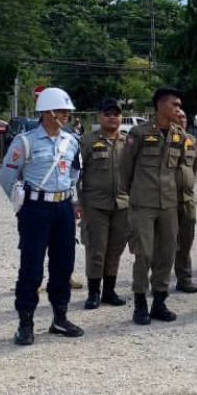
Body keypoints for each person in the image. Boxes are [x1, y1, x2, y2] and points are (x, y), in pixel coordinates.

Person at [0, 87, 84, 345]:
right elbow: (7, 178)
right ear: (47, 112)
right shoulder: (25, 142)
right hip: (36, 209)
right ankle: (25, 323)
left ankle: (60, 317)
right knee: (32, 267)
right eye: (61, 110)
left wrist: (72, 199)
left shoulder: (71, 141)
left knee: (63, 264)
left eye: (68, 111)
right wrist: (22, 205)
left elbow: (75, 171)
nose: (66, 115)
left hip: (63, 208)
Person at [121, 87, 192, 324]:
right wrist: (133, 195)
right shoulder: (139, 133)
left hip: (169, 204)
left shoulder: (180, 136)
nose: (178, 109)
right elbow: (126, 168)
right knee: (144, 253)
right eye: (175, 104)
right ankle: (140, 303)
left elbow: (182, 169)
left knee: (166, 254)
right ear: (160, 105)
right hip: (143, 203)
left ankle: (159, 302)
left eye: (179, 105)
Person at [78, 98, 129, 310]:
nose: (112, 118)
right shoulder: (87, 141)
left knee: (115, 250)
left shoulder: (128, 142)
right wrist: (79, 203)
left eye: (116, 114)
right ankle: (93, 293)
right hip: (95, 205)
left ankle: (109, 290)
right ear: (100, 117)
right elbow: (76, 174)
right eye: (108, 114)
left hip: (122, 205)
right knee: (96, 250)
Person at [173, 108, 197, 294]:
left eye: (184, 116)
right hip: (167, 199)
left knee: (185, 242)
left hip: (187, 200)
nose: (182, 119)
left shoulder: (192, 141)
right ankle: (157, 280)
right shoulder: (164, 138)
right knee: (163, 243)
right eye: (178, 116)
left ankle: (184, 279)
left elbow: (195, 166)